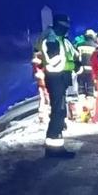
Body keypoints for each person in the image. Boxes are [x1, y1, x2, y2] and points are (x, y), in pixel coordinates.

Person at [36, 13, 79, 158]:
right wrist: (72, 64)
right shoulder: (51, 38)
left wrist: (76, 63)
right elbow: (54, 60)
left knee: (60, 112)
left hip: (61, 78)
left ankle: (56, 146)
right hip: (55, 78)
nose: (67, 28)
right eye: (65, 25)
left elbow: (73, 54)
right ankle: (53, 149)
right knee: (58, 111)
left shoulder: (62, 39)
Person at [76, 29, 98, 98]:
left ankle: (81, 97)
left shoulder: (79, 45)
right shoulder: (96, 46)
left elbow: (76, 56)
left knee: (81, 86)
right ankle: (90, 97)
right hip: (91, 69)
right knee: (90, 86)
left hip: (81, 69)